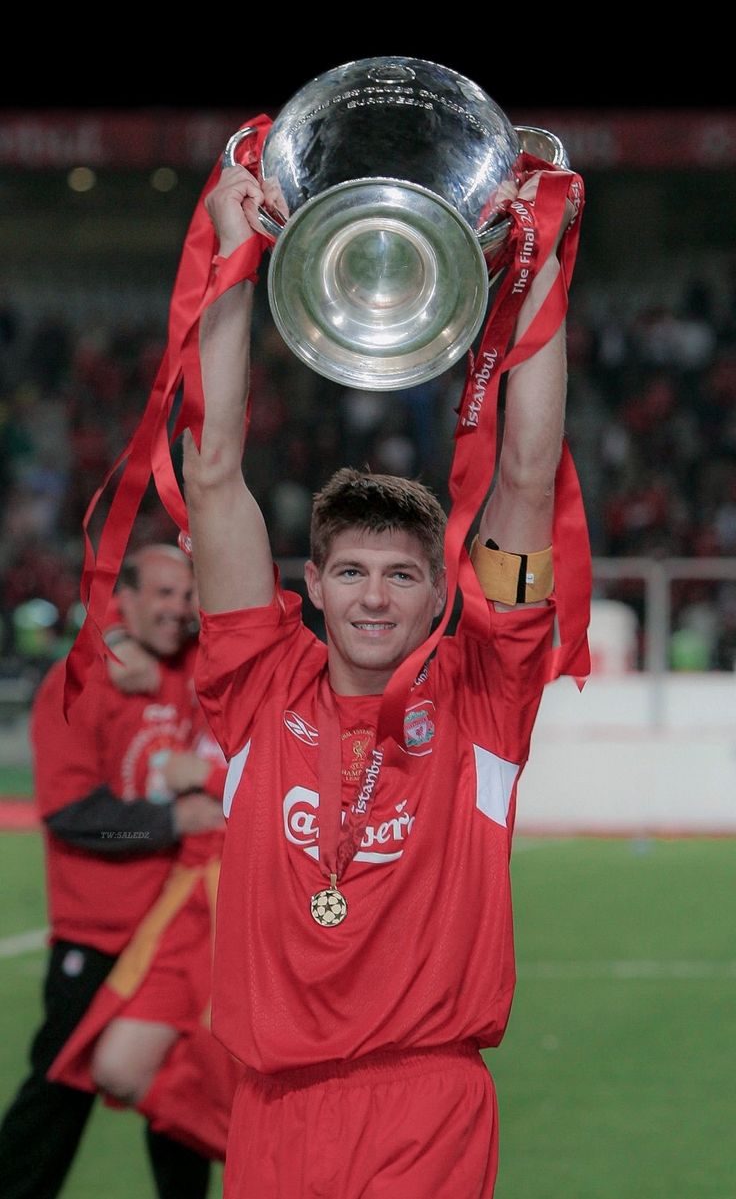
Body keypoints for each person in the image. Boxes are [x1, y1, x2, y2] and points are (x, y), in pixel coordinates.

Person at [180, 158, 584, 1198]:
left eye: (402, 574)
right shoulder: (253, 682)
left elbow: (527, 474)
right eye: (350, 571)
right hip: (270, 1112)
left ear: (435, 589)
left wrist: (535, 260)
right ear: (308, 582)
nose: (372, 597)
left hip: (424, 1106)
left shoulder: (484, 696)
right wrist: (232, 256)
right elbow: (211, 467)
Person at [0, 543, 225, 1199]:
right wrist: (162, 825)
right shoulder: (78, 683)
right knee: (59, 1087)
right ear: (121, 599)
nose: (178, 608)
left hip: (175, 928)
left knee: (177, 1089)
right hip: (99, 931)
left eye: (185, 594)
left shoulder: (186, 671)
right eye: (162, 593)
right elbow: (72, 813)